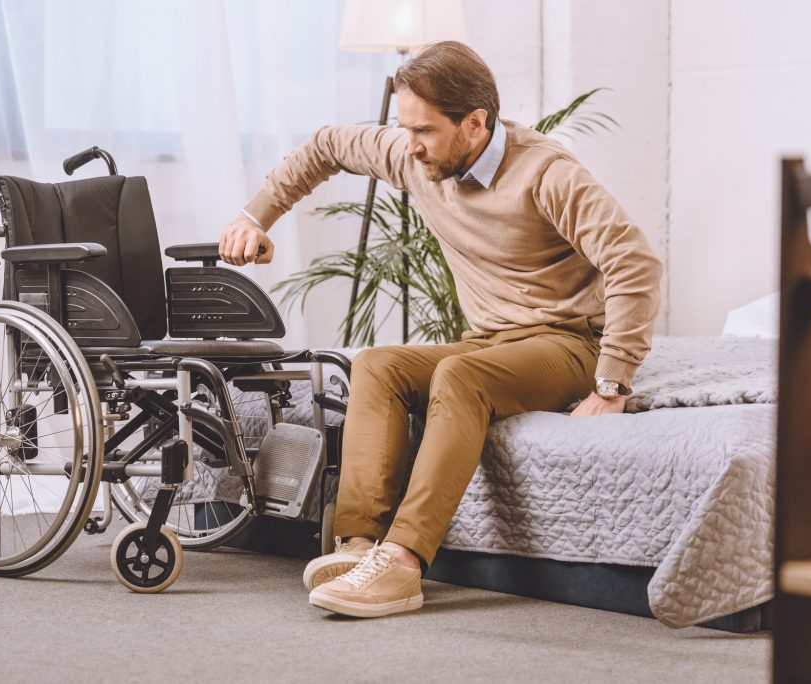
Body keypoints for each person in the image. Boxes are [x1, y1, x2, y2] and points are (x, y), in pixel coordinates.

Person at [218, 41, 662, 619]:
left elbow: (635, 263)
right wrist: (255, 216)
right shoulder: (417, 154)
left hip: (569, 340)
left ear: (475, 122)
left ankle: (401, 564)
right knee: (377, 364)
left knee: (461, 374)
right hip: (492, 342)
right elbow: (328, 145)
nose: (412, 146)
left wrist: (613, 386)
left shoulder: (546, 172)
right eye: (405, 128)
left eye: (424, 130)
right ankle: (358, 547)